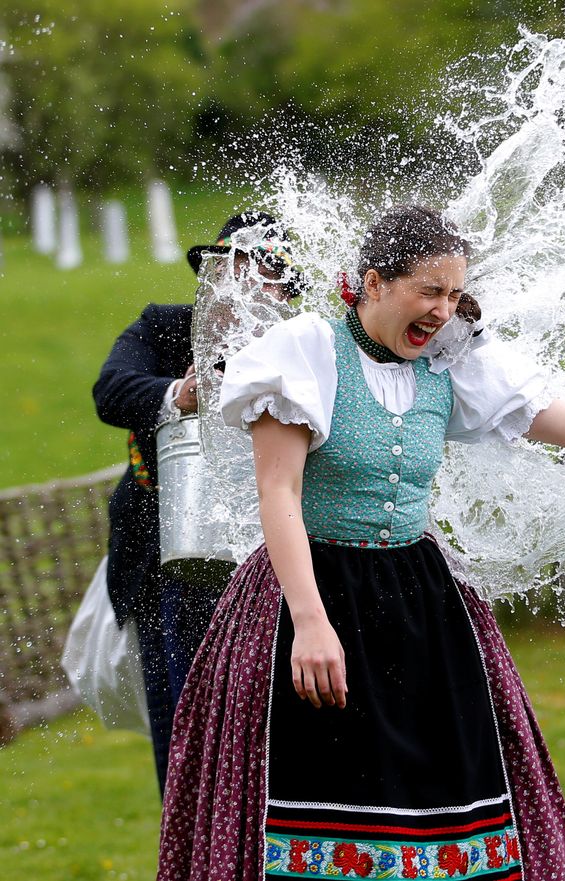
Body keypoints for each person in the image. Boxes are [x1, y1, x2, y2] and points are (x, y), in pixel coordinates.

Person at [157, 205, 565, 881]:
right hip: (308, 599)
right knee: (318, 800)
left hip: (421, 607)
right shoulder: (306, 351)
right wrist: (310, 621)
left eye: (455, 294)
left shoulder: (451, 366)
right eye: (429, 291)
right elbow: (278, 493)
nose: (444, 310)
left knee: (449, 811)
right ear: (372, 282)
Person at [92, 210, 301, 789]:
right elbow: (110, 392)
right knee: (184, 736)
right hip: (165, 567)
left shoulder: (297, 349)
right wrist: (182, 392)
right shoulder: (165, 328)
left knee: (267, 742)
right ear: (212, 274)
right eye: (234, 267)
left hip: (269, 567)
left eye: (266, 274)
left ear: (286, 291)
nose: (247, 284)